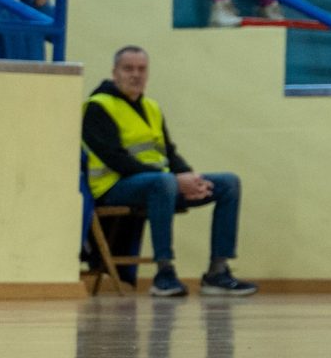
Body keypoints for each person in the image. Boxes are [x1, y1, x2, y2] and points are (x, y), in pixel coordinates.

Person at [81, 46, 257, 298]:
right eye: (128, 69)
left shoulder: (151, 107)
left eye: (141, 69)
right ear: (114, 72)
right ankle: (164, 273)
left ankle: (217, 272)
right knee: (163, 182)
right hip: (113, 187)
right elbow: (116, 159)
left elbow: (169, 153)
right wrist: (175, 180)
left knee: (228, 183)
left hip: (159, 184)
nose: (136, 75)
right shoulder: (98, 106)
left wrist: (189, 177)